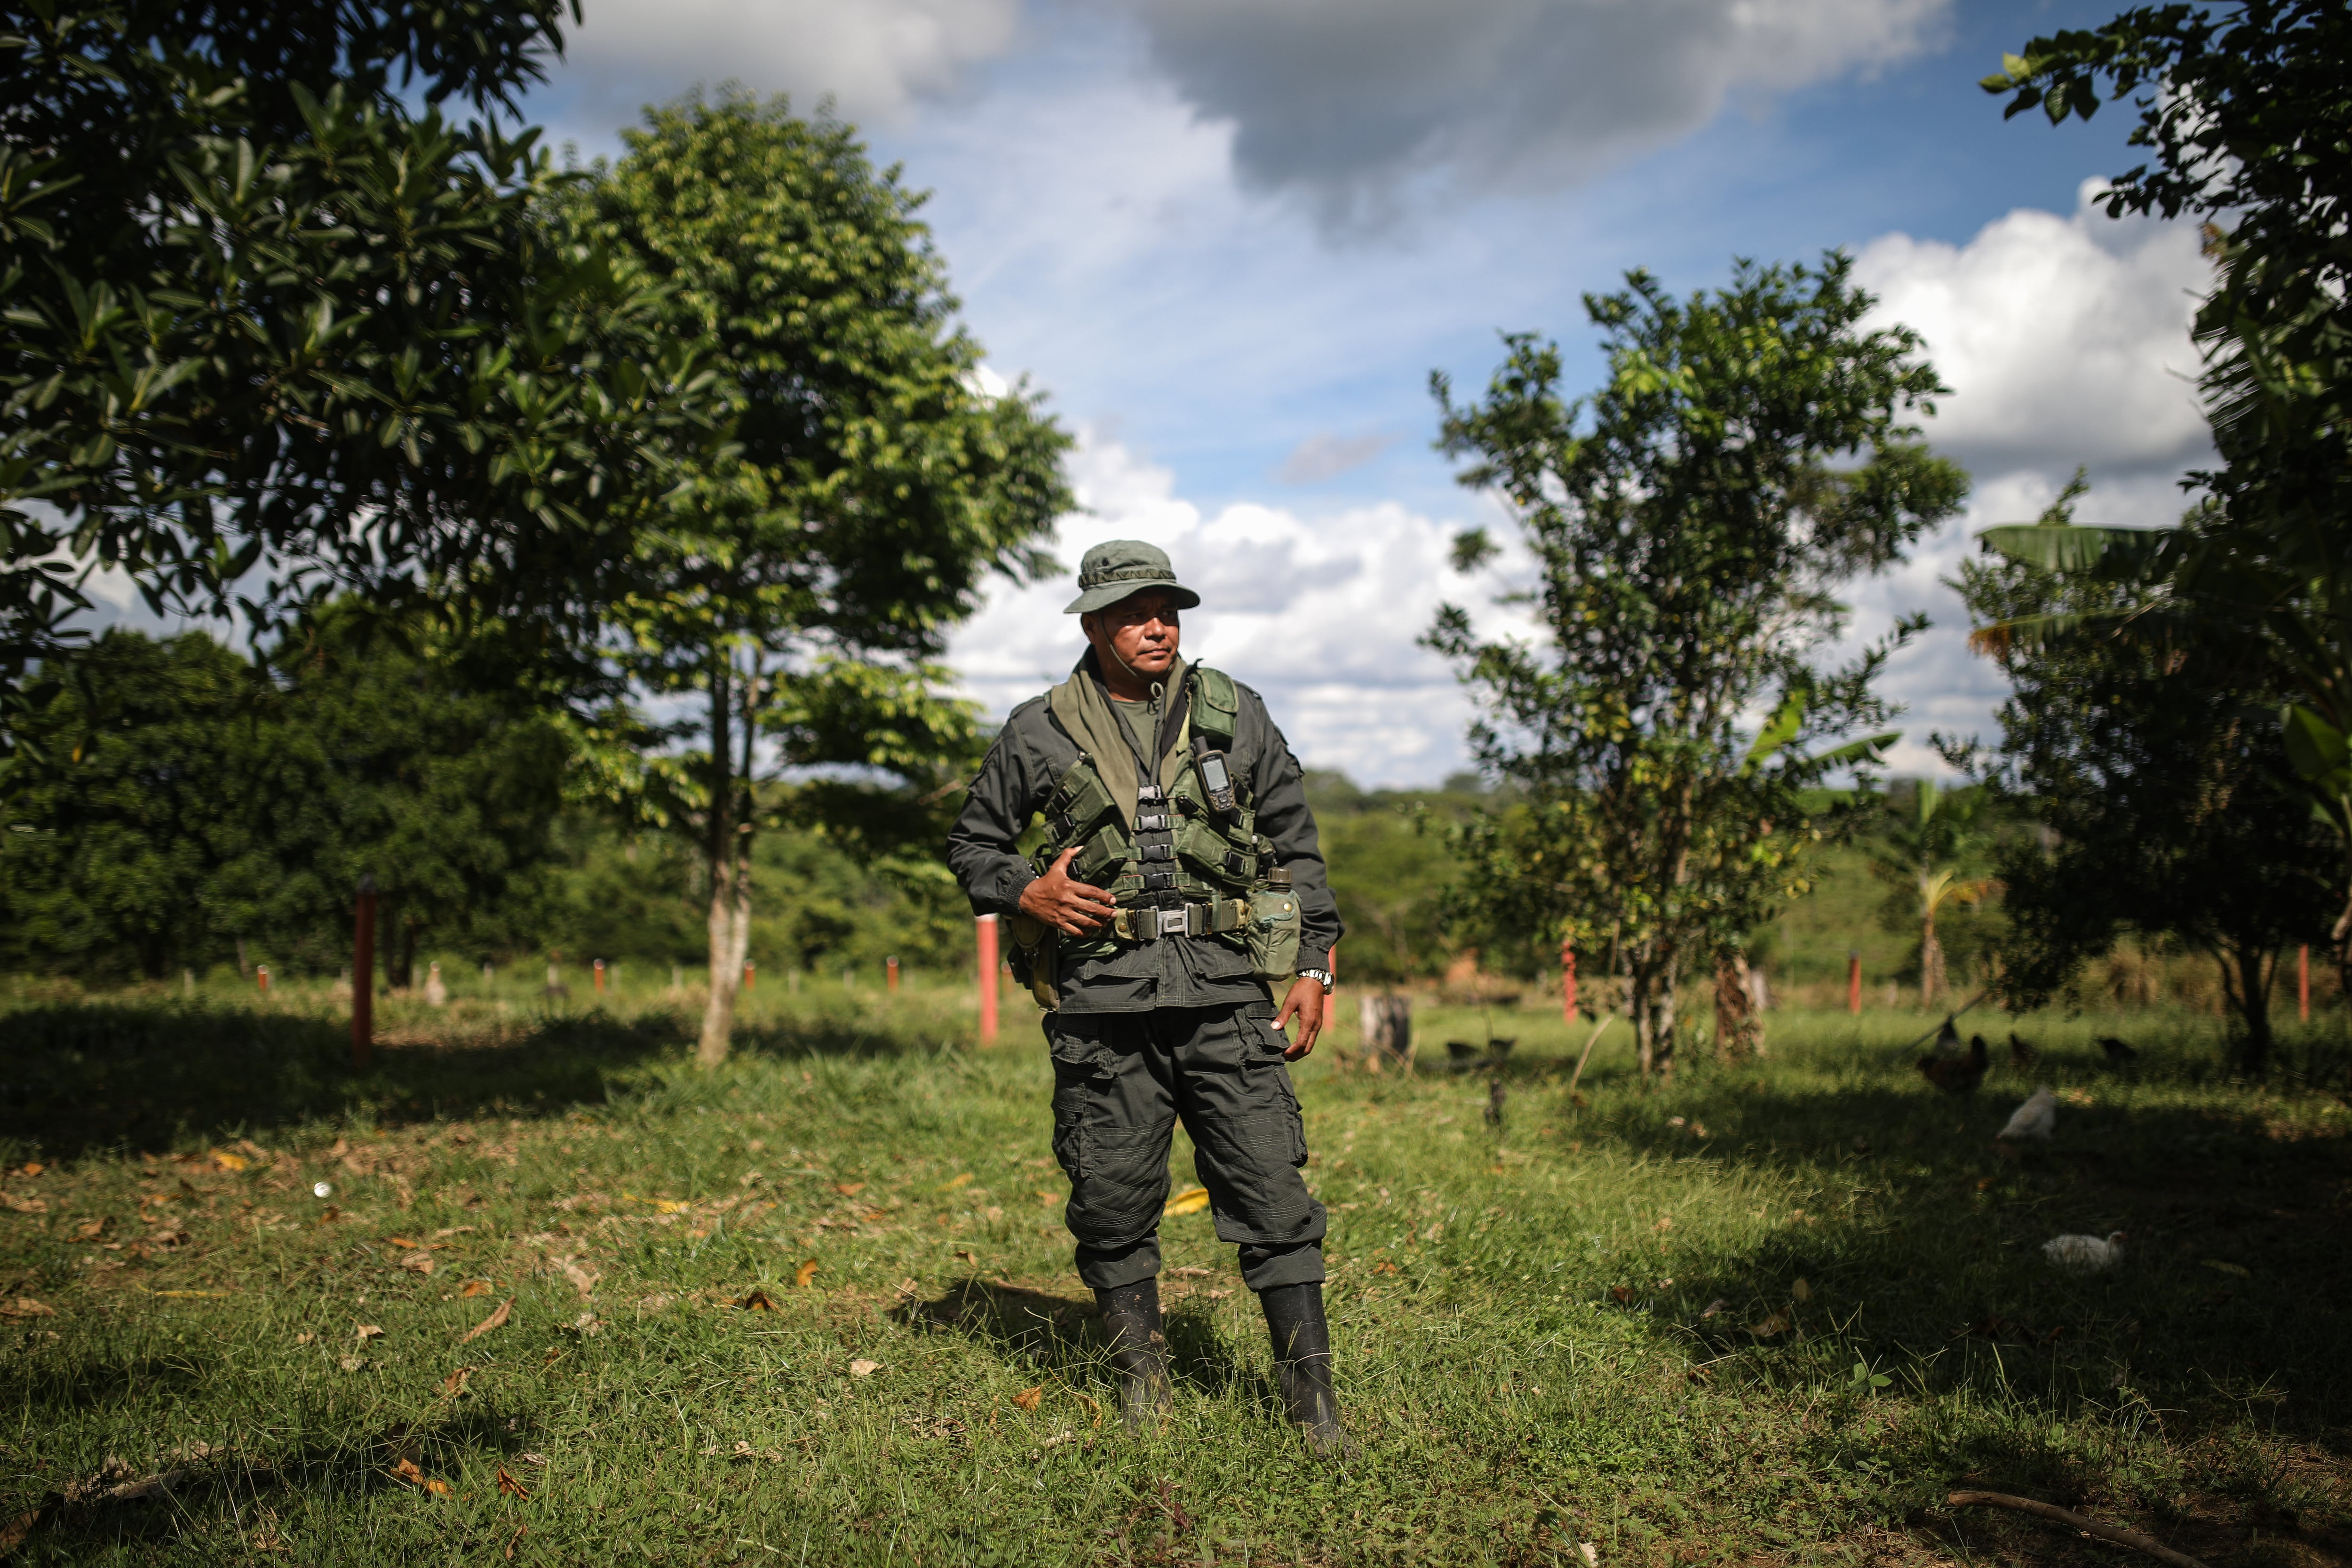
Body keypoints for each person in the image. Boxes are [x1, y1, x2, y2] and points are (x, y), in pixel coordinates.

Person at [946, 539, 1349, 1455]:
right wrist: (1027, 891)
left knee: (1275, 1195)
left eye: (1167, 609)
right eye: (1134, 613)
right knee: (1112, 1200)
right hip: (1103, 1004)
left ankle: (1314, 1410)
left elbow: (1296, 840)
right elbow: (972, 844)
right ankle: (1143, 1385)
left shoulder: (1235, 713)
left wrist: (1314, 964)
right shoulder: (1039, 729)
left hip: (1226, 996)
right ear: (1094, 625)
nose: (1157, 626)